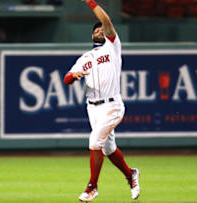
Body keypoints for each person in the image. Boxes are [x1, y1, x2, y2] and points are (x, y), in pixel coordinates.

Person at [63, 0, 140, 202]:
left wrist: (91, 2)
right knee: (107, 148)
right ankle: (130, 174)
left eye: (101, 29)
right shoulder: (85, 57)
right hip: (93, 108)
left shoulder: (113, 47)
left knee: (94, 141)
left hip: (112, 105)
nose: (99, 30)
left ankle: (92, 187)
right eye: (96, 30)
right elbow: (66, 79)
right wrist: (75, 75)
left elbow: (105, 19)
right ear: (92, 35)